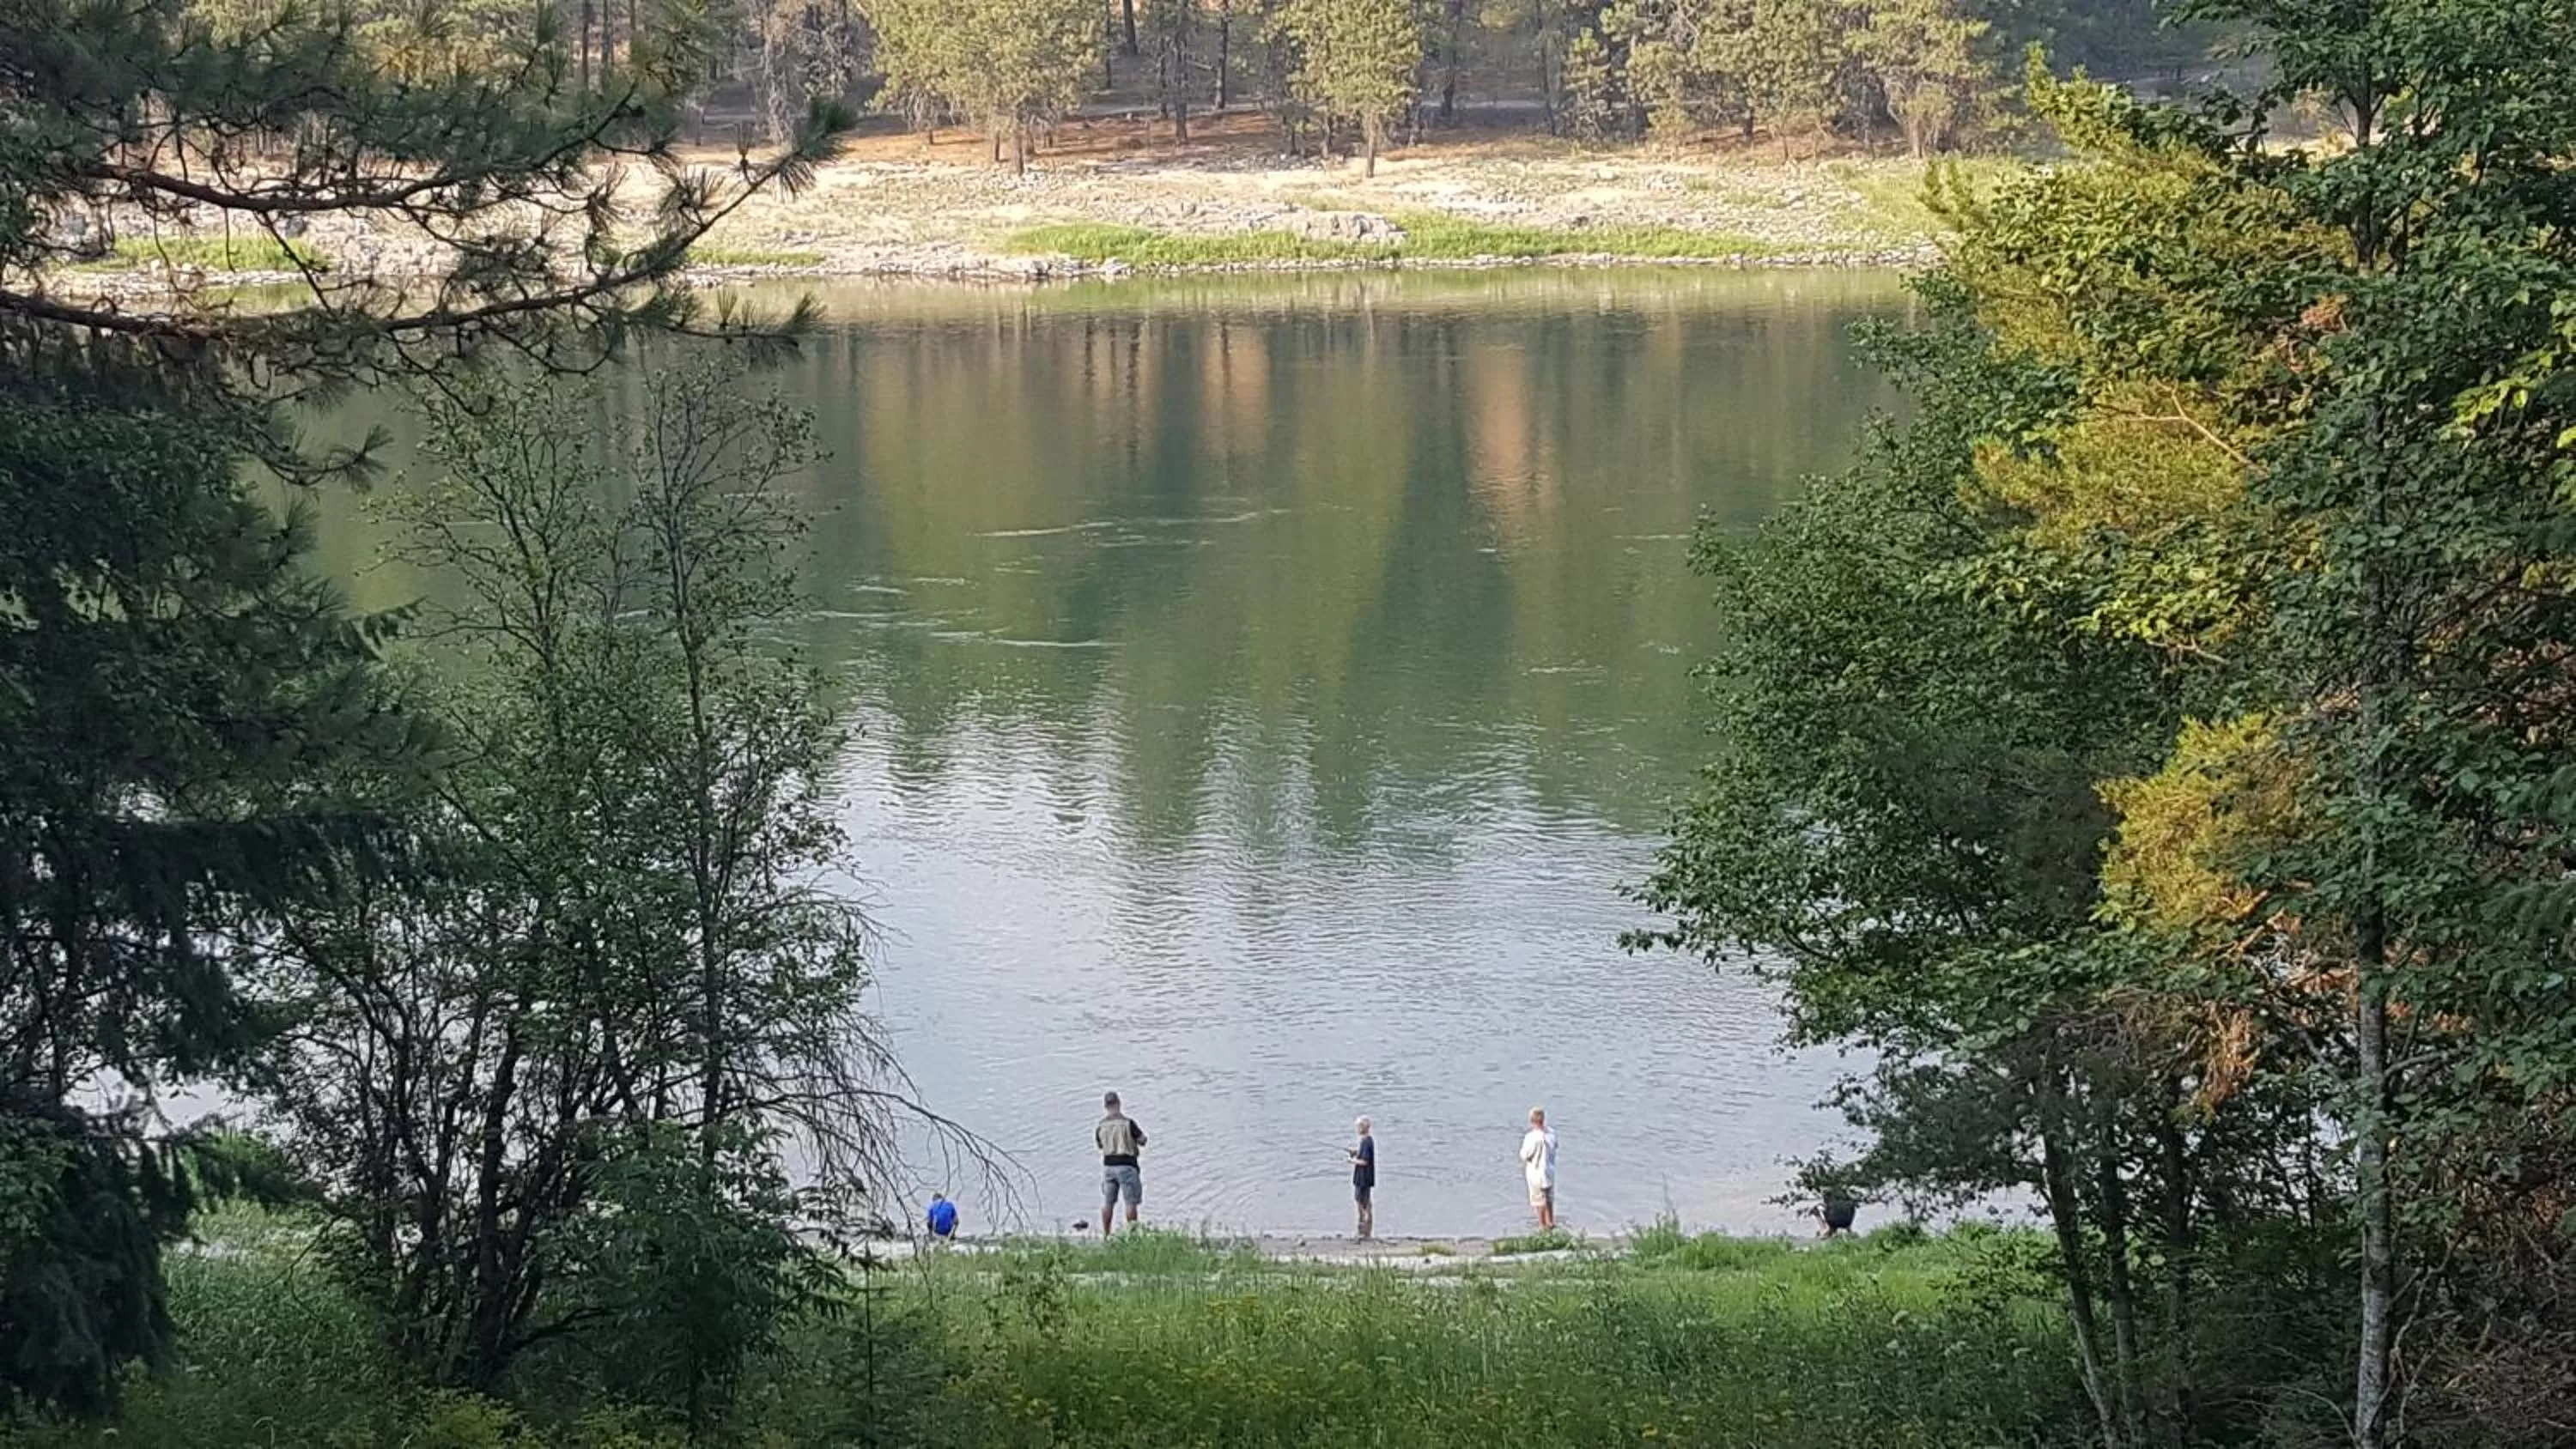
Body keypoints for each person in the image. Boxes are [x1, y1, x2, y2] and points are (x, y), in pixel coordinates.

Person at [1096, 1090, 1148, 1234]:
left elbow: (1100, 1145)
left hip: (1108, 1167)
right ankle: (1132, 1235)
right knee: (1130, 1203)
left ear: (1105, 1106)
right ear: (1119, 1104)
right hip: (1127, 1165)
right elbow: (1143, 1140)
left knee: (1108, 1203)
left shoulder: (1101, 1126)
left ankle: (1106, 1234)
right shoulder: (1128, 1123)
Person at [1519, 1106, 1558, 1231]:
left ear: (1531, 1120)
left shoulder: (1531, 1137)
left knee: (1539, 1200)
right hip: (1550, 1171)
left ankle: (1542, 1226)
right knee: (1549, 1199)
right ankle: (1550, 1222)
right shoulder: (1551, 1133)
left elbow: (1524, 1155)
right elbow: (1555, 1147)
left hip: (1536, 1173)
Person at [1347, 1116, 1377, 1240]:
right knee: (1364, 1200)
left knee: (1362, 1201)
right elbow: (1364, 1155)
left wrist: (1352, 1161)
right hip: (1365, 1177)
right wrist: (1356, 1152)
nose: (1357, 1129)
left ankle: (1364, 1229)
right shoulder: (1367, 1141)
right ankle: (1366, 1227)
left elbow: (1365, 1162)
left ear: (1364, 1127)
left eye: (1359, 1127)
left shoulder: (1366, 1141)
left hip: (1363, 1177)